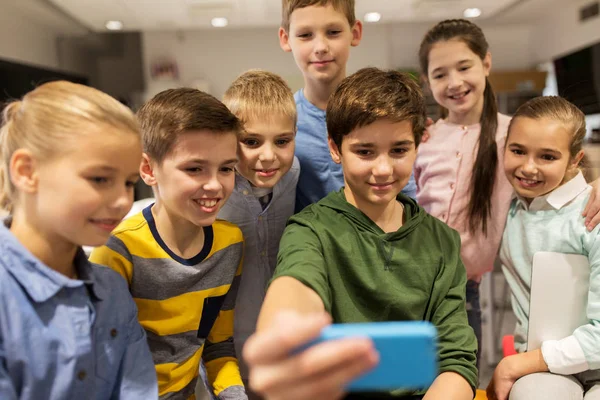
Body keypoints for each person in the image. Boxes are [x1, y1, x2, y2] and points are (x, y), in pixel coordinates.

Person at [251, 67, 477, 400]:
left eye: (399, 150)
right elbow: (296, 285)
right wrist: (284, 335)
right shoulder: (311, 230)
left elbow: (455, 360)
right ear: (335, 148)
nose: (383, 169)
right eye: (365, 152)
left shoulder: (442, 241)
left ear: (418, 144)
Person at [415, 19, 600, 366]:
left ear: (486, 63)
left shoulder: (514, 136)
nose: (454, 82)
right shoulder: (422, 139)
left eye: (464, 67)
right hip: (410, 282)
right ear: (427, 81)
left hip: (462, 290)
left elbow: (563, 167)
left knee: (459, 377)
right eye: (440, 74)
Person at [0, 81, 157, 399]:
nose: (121, 201)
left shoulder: (111, 289)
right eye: (100, 179)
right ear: (27, 171)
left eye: (128, 183)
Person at [90, 88, 247, 400]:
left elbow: (218, 345)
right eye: (194, 168)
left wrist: (234, 394)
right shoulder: (117, 251)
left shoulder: (229, 244)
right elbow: (101, 362)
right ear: (148, 169)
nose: (215, 184)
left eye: (226, 168)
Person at [487, 96, 600, 400]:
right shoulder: (508, 204)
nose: (528, 167)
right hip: (544, 368)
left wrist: (515, 365)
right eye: (517, 151)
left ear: (575, 160)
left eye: (548, 157)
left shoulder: (592, 215)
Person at [278, 0, 417, 212]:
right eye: (305, 35)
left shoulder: (382, 114)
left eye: (333, 32)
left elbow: (406, 195)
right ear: (286, 39)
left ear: (355, 33)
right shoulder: (281, 122)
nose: (321, 47)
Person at [219, 70, 299, 386]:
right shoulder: (214, 189)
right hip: (227, 344)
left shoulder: (295, 173)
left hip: (286, 340)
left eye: (282, 141)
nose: (268, 156)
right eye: (251, 141)